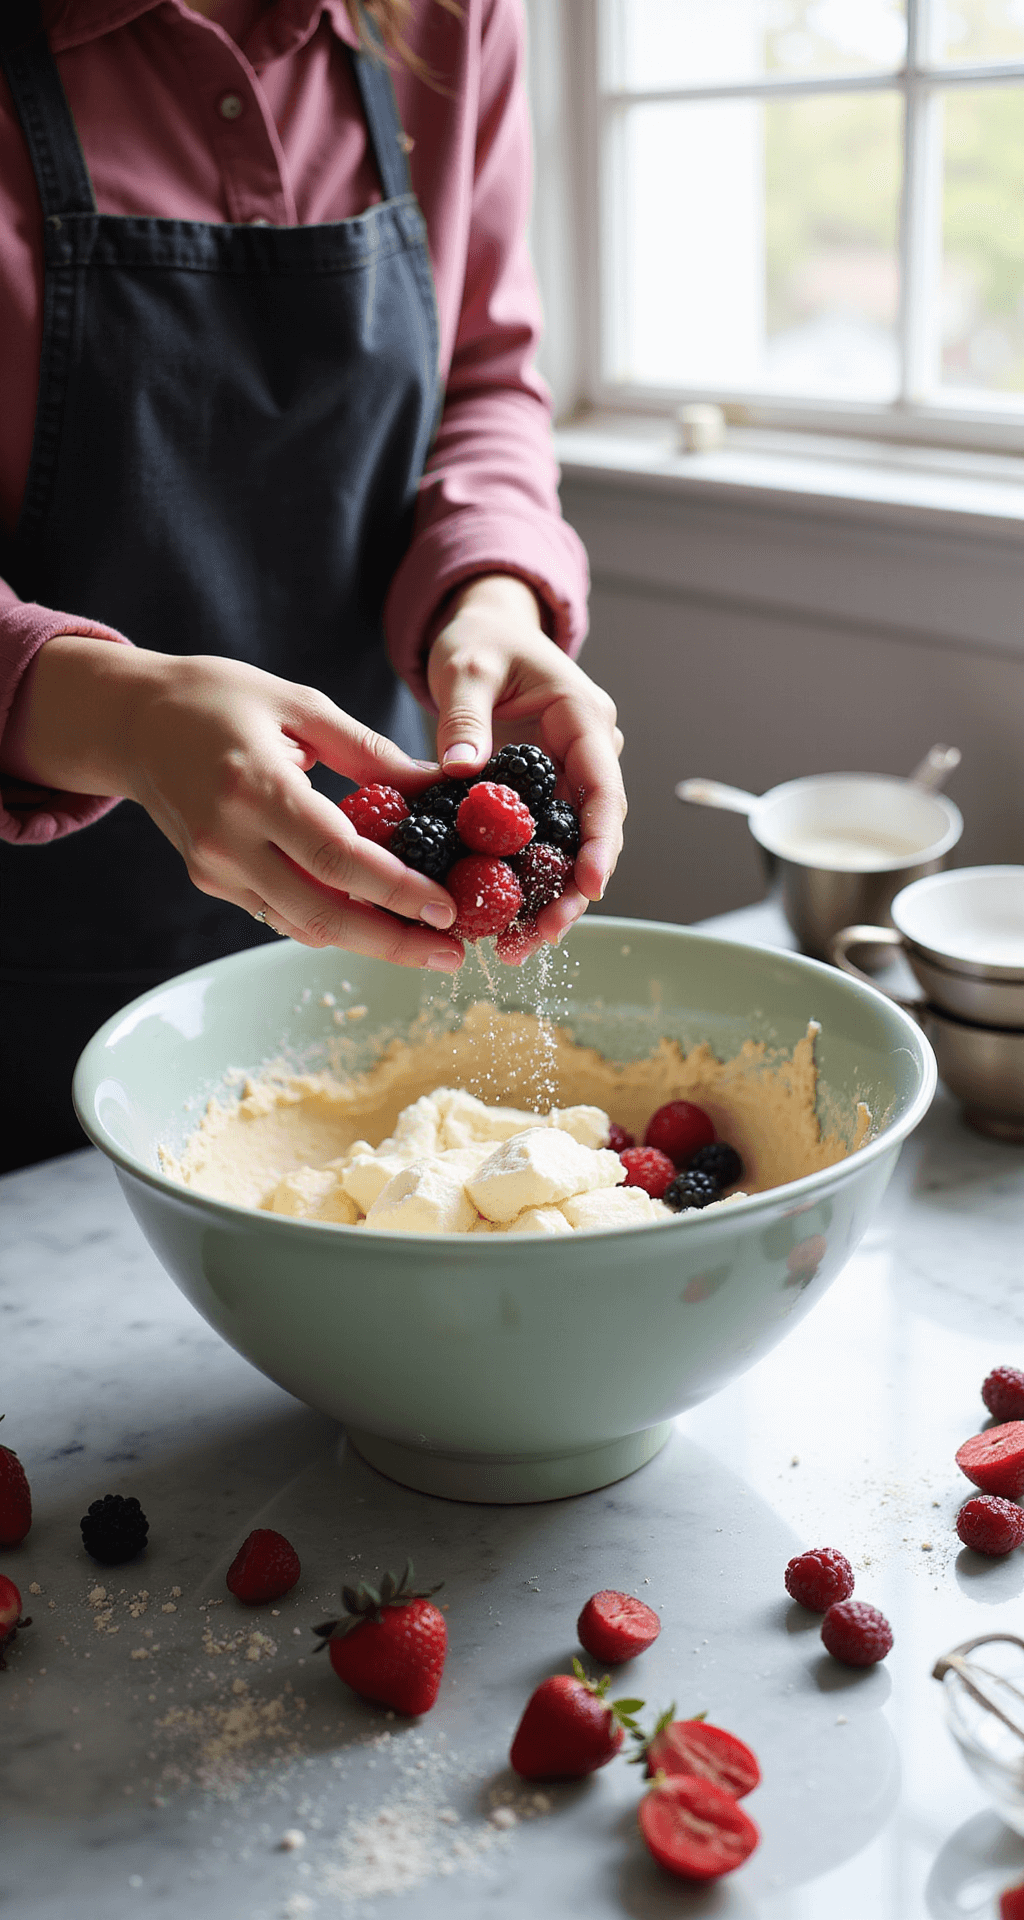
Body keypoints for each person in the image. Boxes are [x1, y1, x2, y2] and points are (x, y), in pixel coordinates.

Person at [0, 0, 626, 1174]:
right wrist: (120, 717)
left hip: (366, 898)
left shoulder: (451, 19)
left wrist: (490, 594)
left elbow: (482, 378)